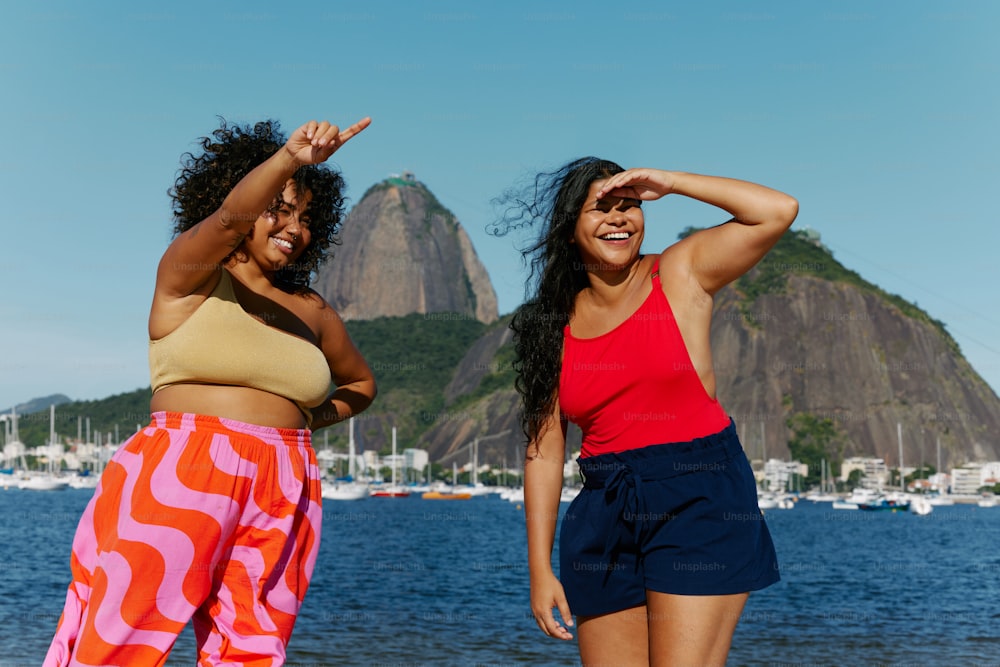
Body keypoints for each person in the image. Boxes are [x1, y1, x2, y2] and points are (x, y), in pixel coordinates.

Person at [44, 117, 377, 666]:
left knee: (251, 649)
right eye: (280, 208)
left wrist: (304, 420)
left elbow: (361, 384)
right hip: (186, 466)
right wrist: (289, 161)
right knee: (120, 639)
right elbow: (227, 220)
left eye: (307, 218)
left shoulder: (312, 310)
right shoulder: (190, 273)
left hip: (284, 480)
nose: (295, 228)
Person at [497, 158, 798, 666]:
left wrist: (672, 183)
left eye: (629, 206)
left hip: (699, 495)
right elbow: (544, 453)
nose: (619, 218)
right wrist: (539, 570)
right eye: (601, 209)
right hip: (604, 506)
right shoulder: (551, 324)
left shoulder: (679, 272)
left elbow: (776, 211)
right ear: (569, 229)